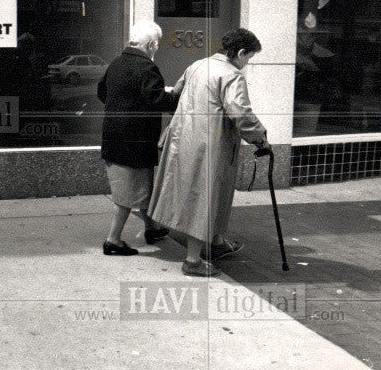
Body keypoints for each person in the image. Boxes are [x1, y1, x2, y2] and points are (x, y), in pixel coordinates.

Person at [147, 28, 271, 277]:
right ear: (241, 52)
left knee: (202, 193)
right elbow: (241, 114)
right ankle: (193, 260)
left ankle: (216, 241)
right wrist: (261, 139)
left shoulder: (197, 65)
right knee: (204, 197)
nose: (247, 64)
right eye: (248, 58)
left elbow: (177, 92)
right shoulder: (232, 75)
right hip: (211, 144)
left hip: (184, 139)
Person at [97, 20, 178, 256]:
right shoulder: (147, 68)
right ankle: (113, 240)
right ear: (151, 44)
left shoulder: (116, 63)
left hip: (115, 136)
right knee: (128, 193)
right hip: (136, 140)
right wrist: (176, 97)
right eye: (157, 45)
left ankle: (151, 227)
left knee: (141, 187)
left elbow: (102, 92)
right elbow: (157, 100)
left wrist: (123, 106)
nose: (156, 49)